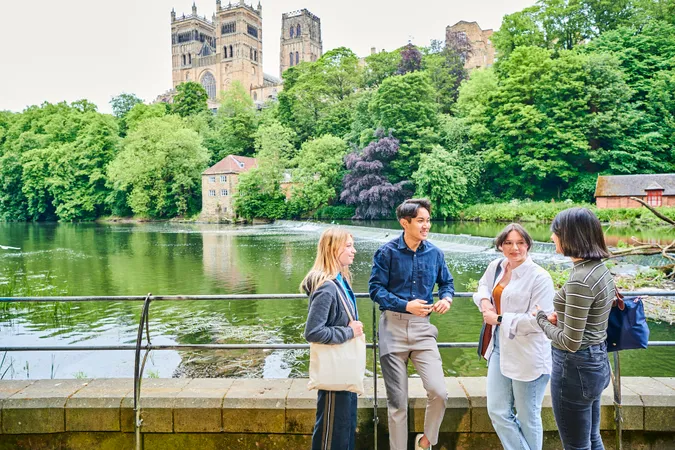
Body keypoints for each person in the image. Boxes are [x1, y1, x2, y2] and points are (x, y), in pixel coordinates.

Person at [369, 198, 454, 450]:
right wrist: (406, 305)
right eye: (420, 221)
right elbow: (375, 290)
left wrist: (446, 298)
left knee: (439, 392)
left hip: (423, 329)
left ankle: (425, 442)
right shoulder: (387, 252)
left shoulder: (435, 253)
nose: (426, 225)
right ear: (404, 222)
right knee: (397, 402)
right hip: (392, 328)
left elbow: (447, 283)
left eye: (428, 220)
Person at [536, 207, 615, 450]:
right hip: (596, 361)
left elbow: (571, 342)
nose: (552, 237)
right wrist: (565, 317)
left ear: (571, 235)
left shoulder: (581, 278)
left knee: (576, 445)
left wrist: (540, 319)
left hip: (575, 367)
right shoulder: (598, 269)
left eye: (555, 232)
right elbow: (592, 316)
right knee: (592, 439)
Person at [473, 223, 555, 450]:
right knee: (498, 411)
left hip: (528, 354)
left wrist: (499, 319)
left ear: (528, 244)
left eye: (520, 243)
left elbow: (541, 321)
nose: (514, 248)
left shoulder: (540, 277)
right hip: (498, 347)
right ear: (500, 245)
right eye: (508, 243)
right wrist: (484, 302)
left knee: (528, 417)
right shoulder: (497, 267)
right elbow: (482, 287)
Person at [302, 228, 363, 450]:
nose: (353, 250)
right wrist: (349, 332)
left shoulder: (340, 281)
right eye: (348, 246)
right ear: (332, 249)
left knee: (345, 427)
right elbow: (313, 332)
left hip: (343, 369)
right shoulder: (327, 287)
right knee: (331, 432)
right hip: (335, 371)